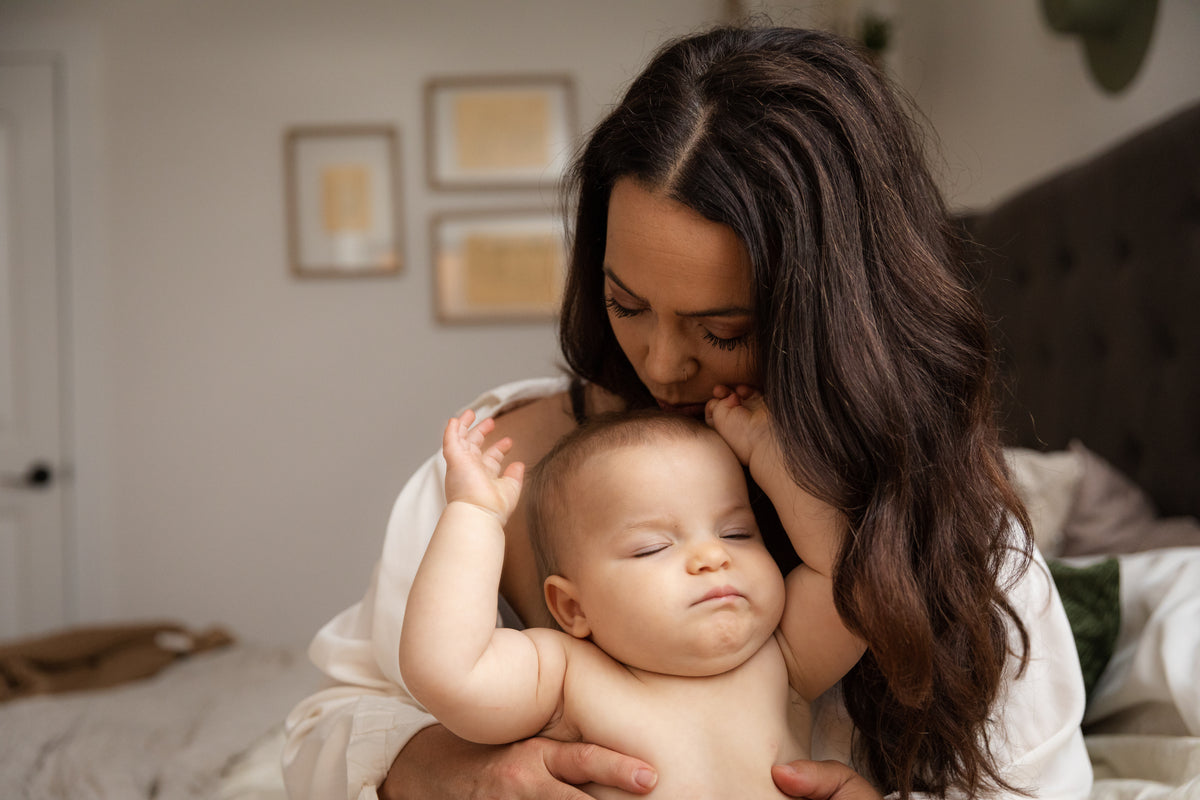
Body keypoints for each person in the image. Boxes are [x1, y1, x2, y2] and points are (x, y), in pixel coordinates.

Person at [283, 25, 1092, 800]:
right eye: (625, 304)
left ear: (834, 323)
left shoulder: (932, 529)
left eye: (723, 330)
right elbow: (343, 719)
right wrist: (450, 772)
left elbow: (1031, 777)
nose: (663, 366)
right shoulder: (511, 468)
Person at [398, 400, 866, 798]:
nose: (712, 555)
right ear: (572, 608)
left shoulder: (780, 662)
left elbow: (853, 578)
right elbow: (447, 671)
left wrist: (769, 453)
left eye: (737, 533)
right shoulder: (569, 677)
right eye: (653, 547)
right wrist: (474, 514)